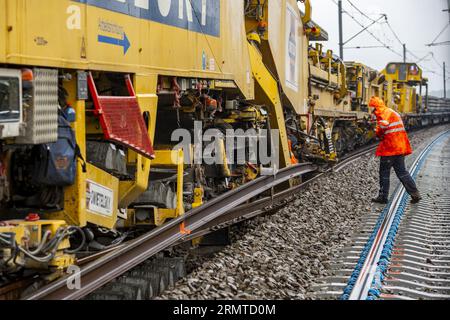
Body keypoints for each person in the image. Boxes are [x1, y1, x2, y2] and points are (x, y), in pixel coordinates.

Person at [369, 96, 421, 204]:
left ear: (376, 107)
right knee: (402, 172)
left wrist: (376, 131)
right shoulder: (391, 111)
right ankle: (415, 194)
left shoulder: (383, 114)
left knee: (384, 172)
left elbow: (381, 129)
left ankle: (383, 197)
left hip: (390, 148)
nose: (373, 112)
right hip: (400, 147)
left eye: (373, 109)